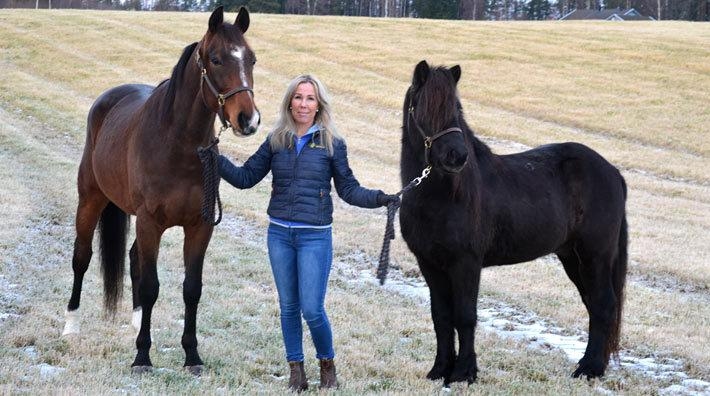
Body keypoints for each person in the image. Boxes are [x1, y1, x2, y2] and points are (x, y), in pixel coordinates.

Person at [218, 74, 399, 391]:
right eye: (298, 97)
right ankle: (295, 371)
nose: (303, 103)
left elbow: (348, 190)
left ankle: (327, 365)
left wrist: (380, 198)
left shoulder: (331, 143)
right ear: (290, 101)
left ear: (319, 105)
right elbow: (246, 177)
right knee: (288, 307)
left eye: (310, 98)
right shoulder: (277, 139)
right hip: (279, 235)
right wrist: (215, 159)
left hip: (315, 236)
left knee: (312, 309)